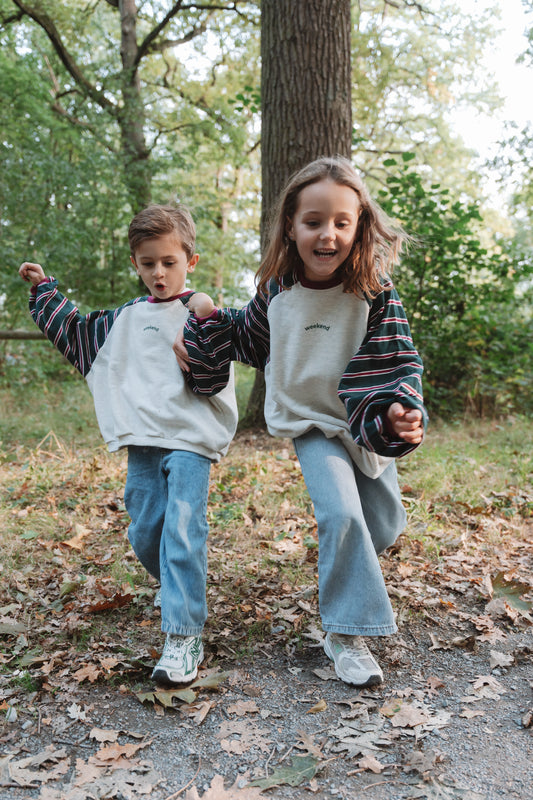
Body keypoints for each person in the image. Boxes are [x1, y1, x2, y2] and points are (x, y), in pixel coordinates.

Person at [174, 156, 428, 688]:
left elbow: (398, 362)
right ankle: (345, 634)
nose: (327, 234)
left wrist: (402, 411)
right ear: (291, 225)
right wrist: (202, 330)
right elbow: (246, 338)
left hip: (363, 424)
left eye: (341, 221)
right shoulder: (277, 291)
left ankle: (345, 575)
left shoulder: (376, 293)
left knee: (382, 524)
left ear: (359, 226)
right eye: (314, 221)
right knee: (341, 515)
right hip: (309, 421)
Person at [19, 204, 238, 686]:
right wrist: (43, 291)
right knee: (145, 528)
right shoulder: (125, 319)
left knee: (183, 526)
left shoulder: (203, 311)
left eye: (169, 262)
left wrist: (202, 312)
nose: (159, 273)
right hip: (144, 440)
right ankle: (176, 581)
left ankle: (183, 635)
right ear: (135, 264)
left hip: (191, 440)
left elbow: (219, 359)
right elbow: (75, 332)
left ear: (190, 261)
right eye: (147, 264)